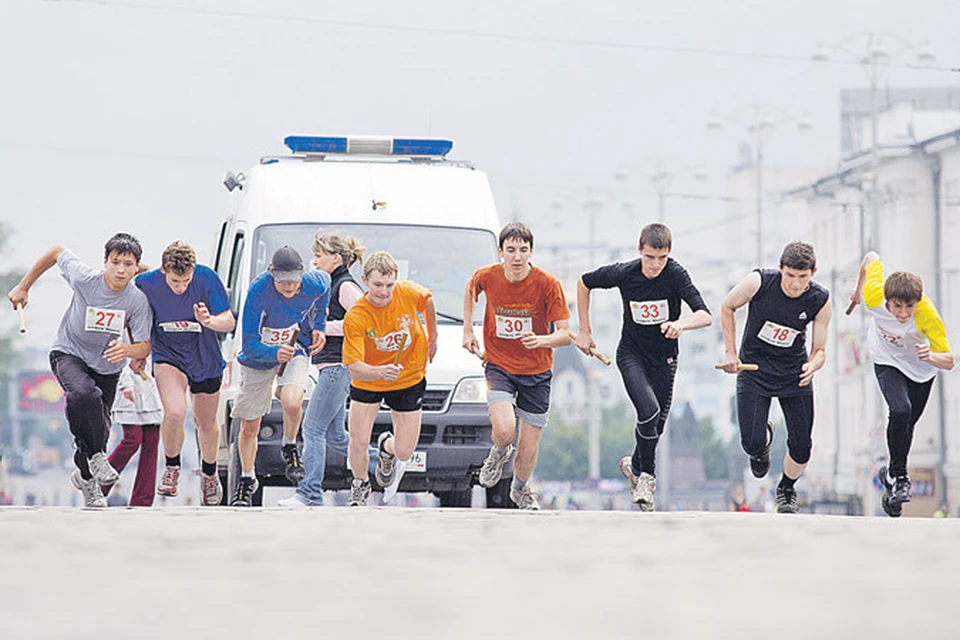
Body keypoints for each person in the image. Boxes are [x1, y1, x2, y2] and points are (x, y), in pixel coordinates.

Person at [7, 233, 152, 509]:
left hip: (108, 367)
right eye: (115, 262)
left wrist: (127, 350)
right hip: (69, 352)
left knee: (99, 425)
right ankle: (97, 457)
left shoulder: (137, 300)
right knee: (83, 394)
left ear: (137, 267)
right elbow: (56, 250)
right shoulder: (86, 279)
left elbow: (144, 346)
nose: (121, 269)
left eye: (128, 264)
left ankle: (86, 478)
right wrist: (24, 286)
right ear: (105, 262)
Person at [576, 222, 712, 511]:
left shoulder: (675, 274)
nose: (655, 265)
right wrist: (585, 330)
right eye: (650, 257)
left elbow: (704, 315)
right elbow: (584, 282)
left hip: (665, 360)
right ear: (640, 251)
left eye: (661, 258)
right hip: (631, 355)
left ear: (669, 254)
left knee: (657, 427)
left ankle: (634, 465)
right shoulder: (626, 273)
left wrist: (680, 324)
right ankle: (646, 480)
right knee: (648, 411)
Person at [463, 222, 571, 510]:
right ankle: (498, 452)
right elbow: (471, 287)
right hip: (499, 365)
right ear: (500, 252)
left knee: (527, 448)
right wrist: (468, 331)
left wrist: (542, 339)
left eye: (523, 250)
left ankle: (520, 489)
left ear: (531, 252)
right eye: (510, 250)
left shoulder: (548, 284)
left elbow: (565, 334)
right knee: (505, 429)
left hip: (537, 373)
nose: (517, 256)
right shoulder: (488, 276)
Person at [719, 241, 833, 514]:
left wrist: (813, 365)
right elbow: (727, 306)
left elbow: (820, 350)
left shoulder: (820, 299)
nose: (795, 284)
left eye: (802, 277)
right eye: (790, 275)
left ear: (813, 272)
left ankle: (786, 488)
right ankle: (763, 444)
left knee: (802, 447)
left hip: (794, 374)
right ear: (781, 269)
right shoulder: (759, 282)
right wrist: (730, 353)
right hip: (754, 370)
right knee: (751, 443)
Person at [849, 251, 954, 518]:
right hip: (887, 359)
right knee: (900, 410)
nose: (904, 314)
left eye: (910, 307)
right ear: (887, 301)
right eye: (897, 307)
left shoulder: (927, 315)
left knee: (907, 426)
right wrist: (857, 290)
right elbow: (871, 257)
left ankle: (890, 479)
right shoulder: (875, 294)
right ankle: (900, 477)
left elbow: (949, 361)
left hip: (921, 369)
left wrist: (929, 356)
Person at [135, 241, 235, 506]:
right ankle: (172, 467)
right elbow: (133, 315)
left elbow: (229, 319)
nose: (181, 287)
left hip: (205, 357)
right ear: (163, 270)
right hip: (169, 355)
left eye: (185, 282)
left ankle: (210, 473)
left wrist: (209, 321)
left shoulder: (206, 278)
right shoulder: (147, 283)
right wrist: (139, 351)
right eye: (175, 282)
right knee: (176, 412)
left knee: (206, 422)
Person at [231, 246, 329, 506]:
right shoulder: (257, 292)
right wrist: (275, 354)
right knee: (250, 424)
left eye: (294, 282)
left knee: (293, 401)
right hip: (259, 355)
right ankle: (247, 479)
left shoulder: (314, 283)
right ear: (271, 273)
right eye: (283, 282)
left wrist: (318, 326)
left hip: (295, 346)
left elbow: (326, 285)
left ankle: (289, 445)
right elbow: (248, 343)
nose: (289, 288)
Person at [278, 231, 367, 507]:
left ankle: (309, 494)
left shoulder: (344, 286)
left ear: (335, 258)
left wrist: (320, 328)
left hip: (338, 366)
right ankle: (390, 461)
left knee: (312, 428)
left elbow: (363, 322)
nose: (313, 262)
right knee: (337, 437)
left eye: (318, 256)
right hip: (330, 366)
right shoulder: (328, 285)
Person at [342, 251, 437, 506]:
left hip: (408, 376)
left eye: (389, 285)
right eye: (377, 285)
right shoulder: (357, 315)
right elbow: (354, 367)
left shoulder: (408, 292)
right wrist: (380, 371)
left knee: (406, 450)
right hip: (369, 380)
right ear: (365, 281)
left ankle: (386, 446)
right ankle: (360, 484)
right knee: (359, 439)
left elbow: (428, 302)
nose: (384, 292)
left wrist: (432, 337)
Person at [105, 354, 163, 507]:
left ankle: (142, 500)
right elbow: (115, 350)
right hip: (128, 385)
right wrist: (125, 383)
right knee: (133, 439)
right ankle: (100, 483)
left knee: (152, 443)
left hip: (152, 385)